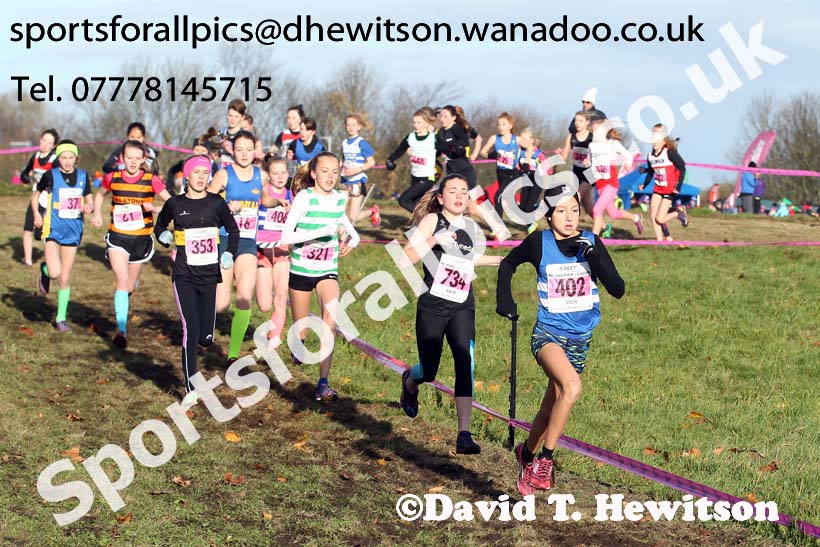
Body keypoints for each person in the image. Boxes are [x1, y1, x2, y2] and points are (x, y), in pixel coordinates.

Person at [495, 177, 624, 495]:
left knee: (550, 407)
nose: (569, 217)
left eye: (575, 210)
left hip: (581, 339)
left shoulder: (591, 241)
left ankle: (526, 453)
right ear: (549, 215)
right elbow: (508, 264)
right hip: (549, 335)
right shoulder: (539, 243)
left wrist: (592, 257)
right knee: (572, 387)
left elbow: (618, 289)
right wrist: (504, 301)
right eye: (561, 211)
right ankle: (544, 464)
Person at [398, 174, 503, 455]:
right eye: (453, 191)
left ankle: (463, 434)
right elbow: (405, 257)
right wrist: (433, 239)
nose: (459, 195)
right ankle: (410, 380)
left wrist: (501, 261)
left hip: (461, 303)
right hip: (433, 305)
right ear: (441, 198)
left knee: (465, 360)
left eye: (464, 191)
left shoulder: (470, 226)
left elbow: (470, 259)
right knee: (429, 371)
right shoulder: (433, 220)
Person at [154, 156, 239, 405]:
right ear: (187, 177)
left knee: (205, 337)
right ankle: (191, 386)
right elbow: (158, 226)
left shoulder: (216, 203)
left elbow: (233, 231)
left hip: (210, 274)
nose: (202, 177)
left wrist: (228, 253)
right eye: (197, 173)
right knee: (189, 329)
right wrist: (164, 236)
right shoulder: (174, 203)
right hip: (184, 275)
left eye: (206, 173)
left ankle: (205, 337)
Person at [279, 152, 360, 401]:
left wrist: (353, 239)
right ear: (313, 173)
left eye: (335, 172)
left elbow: (347, 226)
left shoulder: (338, 198)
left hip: (327, 270)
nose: (330, 177)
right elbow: (285, 237)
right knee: (300, 330)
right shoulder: (305, 198)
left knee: (330, 319)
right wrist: (321, 231)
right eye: (325, 171)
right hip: (302, 270)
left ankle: (323, 383)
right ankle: (298, 345)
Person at [92, 140, 172, 348]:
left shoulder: (150, 180)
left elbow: (171, 203)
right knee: (122, 281)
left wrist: (154, 208)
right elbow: (99, 194)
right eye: (129, 158)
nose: (133, 162)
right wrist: (97, 213)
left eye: (138, 158)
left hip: (141, 240)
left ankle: (127, 294)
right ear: (122, 159)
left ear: (144, 159)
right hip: (118, 237)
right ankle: (121, 331)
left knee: (129, 287)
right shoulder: (113, 177)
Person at [207, 130, 266, 364]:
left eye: (248, 149)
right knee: (221, 305)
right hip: (225, 241)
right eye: (239, 149)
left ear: (254, 151)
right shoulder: (224, 174)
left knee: (244, 297)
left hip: (248, 241)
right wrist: (225, 205)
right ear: (233, 149)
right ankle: (199, 316)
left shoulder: (261, 176)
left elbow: (271, 198)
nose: (243, 154)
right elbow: (207, 202)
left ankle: (233, 354)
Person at [32, 140, 93, 332]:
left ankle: (60, 318)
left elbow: (89, 199)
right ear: (58, 158)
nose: (67, 161)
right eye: (64, 157)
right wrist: (36, 215)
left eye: (71, 157)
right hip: (53, 227)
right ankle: (45, 270)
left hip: (74, 229)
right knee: (56, 272)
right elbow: (35, 196)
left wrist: (88, 207)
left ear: (76, 158)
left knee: (65, 277)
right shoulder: (51, 175)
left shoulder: (83, 176)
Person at [256, 155, 292, 349]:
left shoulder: (292, 194)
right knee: (264, 305)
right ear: (268, 175)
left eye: (283, 173)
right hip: (261, 251)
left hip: (281, 250)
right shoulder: (265, 191)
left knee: (280, 295)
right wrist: (279, 202)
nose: (279, 177)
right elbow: (267, 200)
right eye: (275, 173)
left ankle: (274, 339)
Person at [588, 120, 643, 236]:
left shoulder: (612, 144)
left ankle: (593, 241)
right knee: (613, 214)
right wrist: (587, 161)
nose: (595, 132)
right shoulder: (591, 146)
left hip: (611, 183)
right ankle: (636, 218)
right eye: (593, 130)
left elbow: (628, 154)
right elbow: (589, 160)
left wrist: (628, 163)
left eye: (597, 130)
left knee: (597, 209)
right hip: (599, 184)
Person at [638, 124, 688, 241]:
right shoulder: (650, 156)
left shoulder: (669, 152)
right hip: (657, 189)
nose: (654, 142)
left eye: (658, 138)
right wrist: (644, 185)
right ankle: (659, 242)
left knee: (660, 219)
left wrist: (678, 186)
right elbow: (651, 172)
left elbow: (682, 167)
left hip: (669, 189)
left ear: (664, 140)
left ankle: (678, 213)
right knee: (653, 216)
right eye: (653, 138)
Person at [386, 108, 438, 213]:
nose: (415, 125)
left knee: (403, 200)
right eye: (414, 122)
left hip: (427, 177)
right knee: (415, 203)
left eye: (419, 122)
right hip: (415, 176)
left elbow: (446, 147)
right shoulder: (411, 137)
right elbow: (399, 150)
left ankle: (429, 218)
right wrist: (390, 160)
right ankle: (423, 225)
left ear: (426, 123)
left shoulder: (433, 138)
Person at [20, 128, 59, 266]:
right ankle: (28, 260)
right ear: (40, 139)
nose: (45, 144)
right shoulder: (35, 156)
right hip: (36, 197)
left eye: (49, 142)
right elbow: (26, 171)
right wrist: (24, 177)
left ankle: (52, 260)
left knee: (42, 234)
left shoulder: (55, 160)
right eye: (44, 140)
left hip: (49, 199)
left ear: (53, 146)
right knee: (27, 229)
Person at [479, 112, 520, 219]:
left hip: (512, 173)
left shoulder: (517, 140)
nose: (500, 127)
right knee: (502, 199)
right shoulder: (494, 138)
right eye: (499, 124)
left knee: (498, 197)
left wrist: (525, 162)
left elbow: (530, 147)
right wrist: (491, 155)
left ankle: (498, 225)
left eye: (504, 124)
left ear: (510, 126)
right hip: (500, 172)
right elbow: (483, 152)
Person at [340, 114, 377, 225]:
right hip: (345, 180)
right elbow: (343, 160)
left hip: (357, 181)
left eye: (354, 125)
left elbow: (372, 162)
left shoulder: (361, 143)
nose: (351, 127)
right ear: (345, 126)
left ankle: (372, 211)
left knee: (352, 216)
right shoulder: (344, 143)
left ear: (359, 127)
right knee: (339, 212)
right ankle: (341, 239)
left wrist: (357, 169)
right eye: (348, 125)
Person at [561, 111, 594, 217]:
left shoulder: (592, 138)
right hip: (577, 173)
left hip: (590, 174)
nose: (578, 123)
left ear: (587, 122)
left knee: (576, 197)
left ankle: (568, 226)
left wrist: (590, 160)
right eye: (576, 120)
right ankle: (604, 226)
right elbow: (564, 156)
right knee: (588, 208)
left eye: (581, 121)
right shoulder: (571, 137)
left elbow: (599, 155)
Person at [215, 98, 247, 168]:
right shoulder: (221, 132)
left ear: (242, 117)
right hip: (222, 170)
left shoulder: (245, 135)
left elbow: (246, 158)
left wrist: (230, 150)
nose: (232, 119)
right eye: (230, 115)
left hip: (237, 171)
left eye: (236, 116)